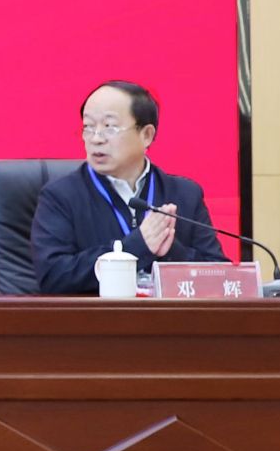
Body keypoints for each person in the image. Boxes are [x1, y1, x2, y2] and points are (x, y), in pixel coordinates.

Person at [31, 79, 227, 294]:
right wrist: (136, 247)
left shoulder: (185, 194)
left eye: (110, 127)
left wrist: (170, 250)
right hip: (98, 315)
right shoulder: (60, 196)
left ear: (146, 135)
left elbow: (220, 277)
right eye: (88, 127)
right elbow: (53, 276)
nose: (96, 139)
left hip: (168, 315)